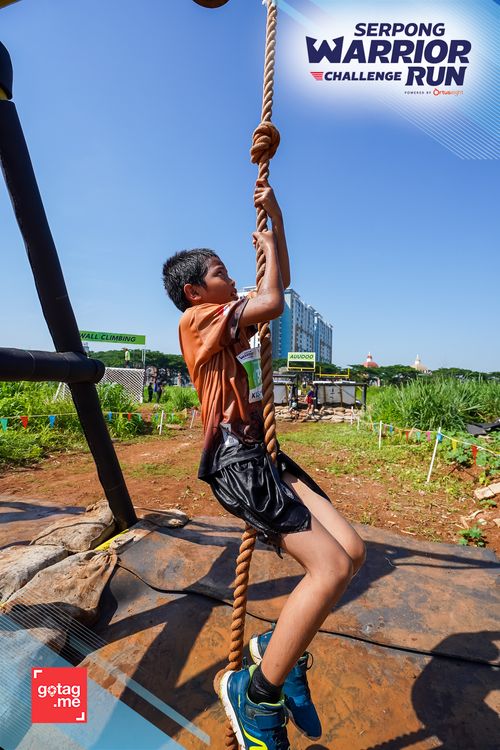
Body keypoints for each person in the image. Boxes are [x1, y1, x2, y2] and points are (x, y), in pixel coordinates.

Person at [162, 182, 365, 750]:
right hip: (238, 461)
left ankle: (280, 651)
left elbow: (281, 288)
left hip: (264, 452)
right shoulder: (198, 320)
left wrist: (276, 219)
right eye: (221, 273)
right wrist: (268, 248)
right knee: (328, 569)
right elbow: (273, 300)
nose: (232, 280)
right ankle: (256, 695)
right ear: (194, 290)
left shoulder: (225, 317)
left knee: (351, 553)